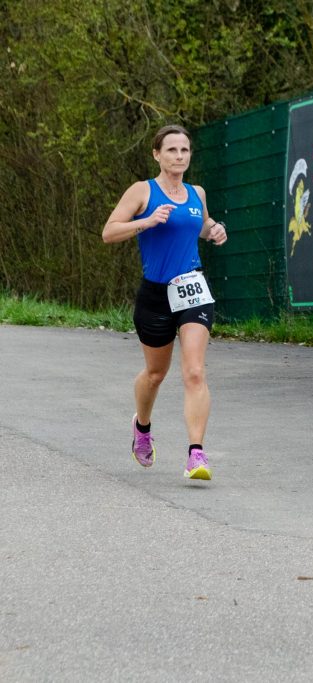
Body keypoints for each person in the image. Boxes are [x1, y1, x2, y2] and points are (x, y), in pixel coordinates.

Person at [102, 124, 228, 479]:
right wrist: (146, 221)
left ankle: (196, 454)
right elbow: (109, 232)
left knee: (195, 371)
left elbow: (200, 225)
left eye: (184, 150)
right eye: (171, 150)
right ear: (157, 154)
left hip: (192, 289)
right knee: (156, 373)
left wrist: (214, 230)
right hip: (156, 294)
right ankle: (142, 427)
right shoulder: (143, 191)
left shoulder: (197, 192)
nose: (179, 156)